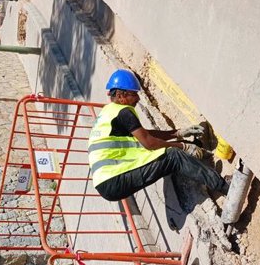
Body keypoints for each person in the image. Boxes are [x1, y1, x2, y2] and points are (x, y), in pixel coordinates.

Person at [88, 69, 230, 202]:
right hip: (114, 180)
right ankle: (224, 186)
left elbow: (145, 134)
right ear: (121, 96)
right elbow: (149, 143)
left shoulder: (108, 112)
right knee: (174, 155)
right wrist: (183, 146)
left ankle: (197, 162)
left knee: (167, 154)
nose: (137, 98)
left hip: (108, 180)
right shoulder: (123, 112)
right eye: (134, 94)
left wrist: (178, 133)